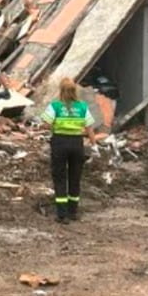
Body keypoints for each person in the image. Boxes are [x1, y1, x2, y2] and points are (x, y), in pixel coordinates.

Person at [40, 78, 97, 224]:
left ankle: (62, 214)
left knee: (60, 177)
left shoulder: (55, 105)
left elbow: (46, 124)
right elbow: (89, 128)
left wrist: (52, 125)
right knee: (75, 177)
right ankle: (73, 212)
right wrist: (94, 145)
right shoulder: (82, 106)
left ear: (61, 90)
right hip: (77, 144)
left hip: (59, 142)